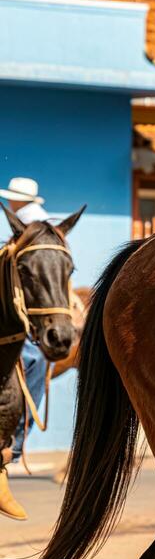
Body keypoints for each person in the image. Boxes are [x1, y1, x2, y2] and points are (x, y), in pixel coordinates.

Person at [0, 177, 51, 474]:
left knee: (32, 357)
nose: (8, 203)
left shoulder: (30, 223)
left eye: (11, 198)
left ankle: (13, 442)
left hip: (30, 303)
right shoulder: (29, 220)